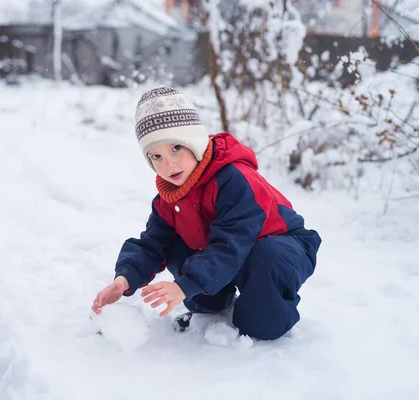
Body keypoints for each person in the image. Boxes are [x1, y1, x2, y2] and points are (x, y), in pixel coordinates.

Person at [92, 86, 322, 340]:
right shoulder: (170, 196)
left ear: (194, 141)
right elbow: (153, 243)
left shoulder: (235, 179)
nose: (168, 163)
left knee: (261, 325)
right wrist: (124, 279)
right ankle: (216, 297)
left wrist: (184, 285)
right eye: (156, 156)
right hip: (229, 253)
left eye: (176, 148)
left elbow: (232, 244)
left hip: (279, 248)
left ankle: (268, 306)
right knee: (178, 250)